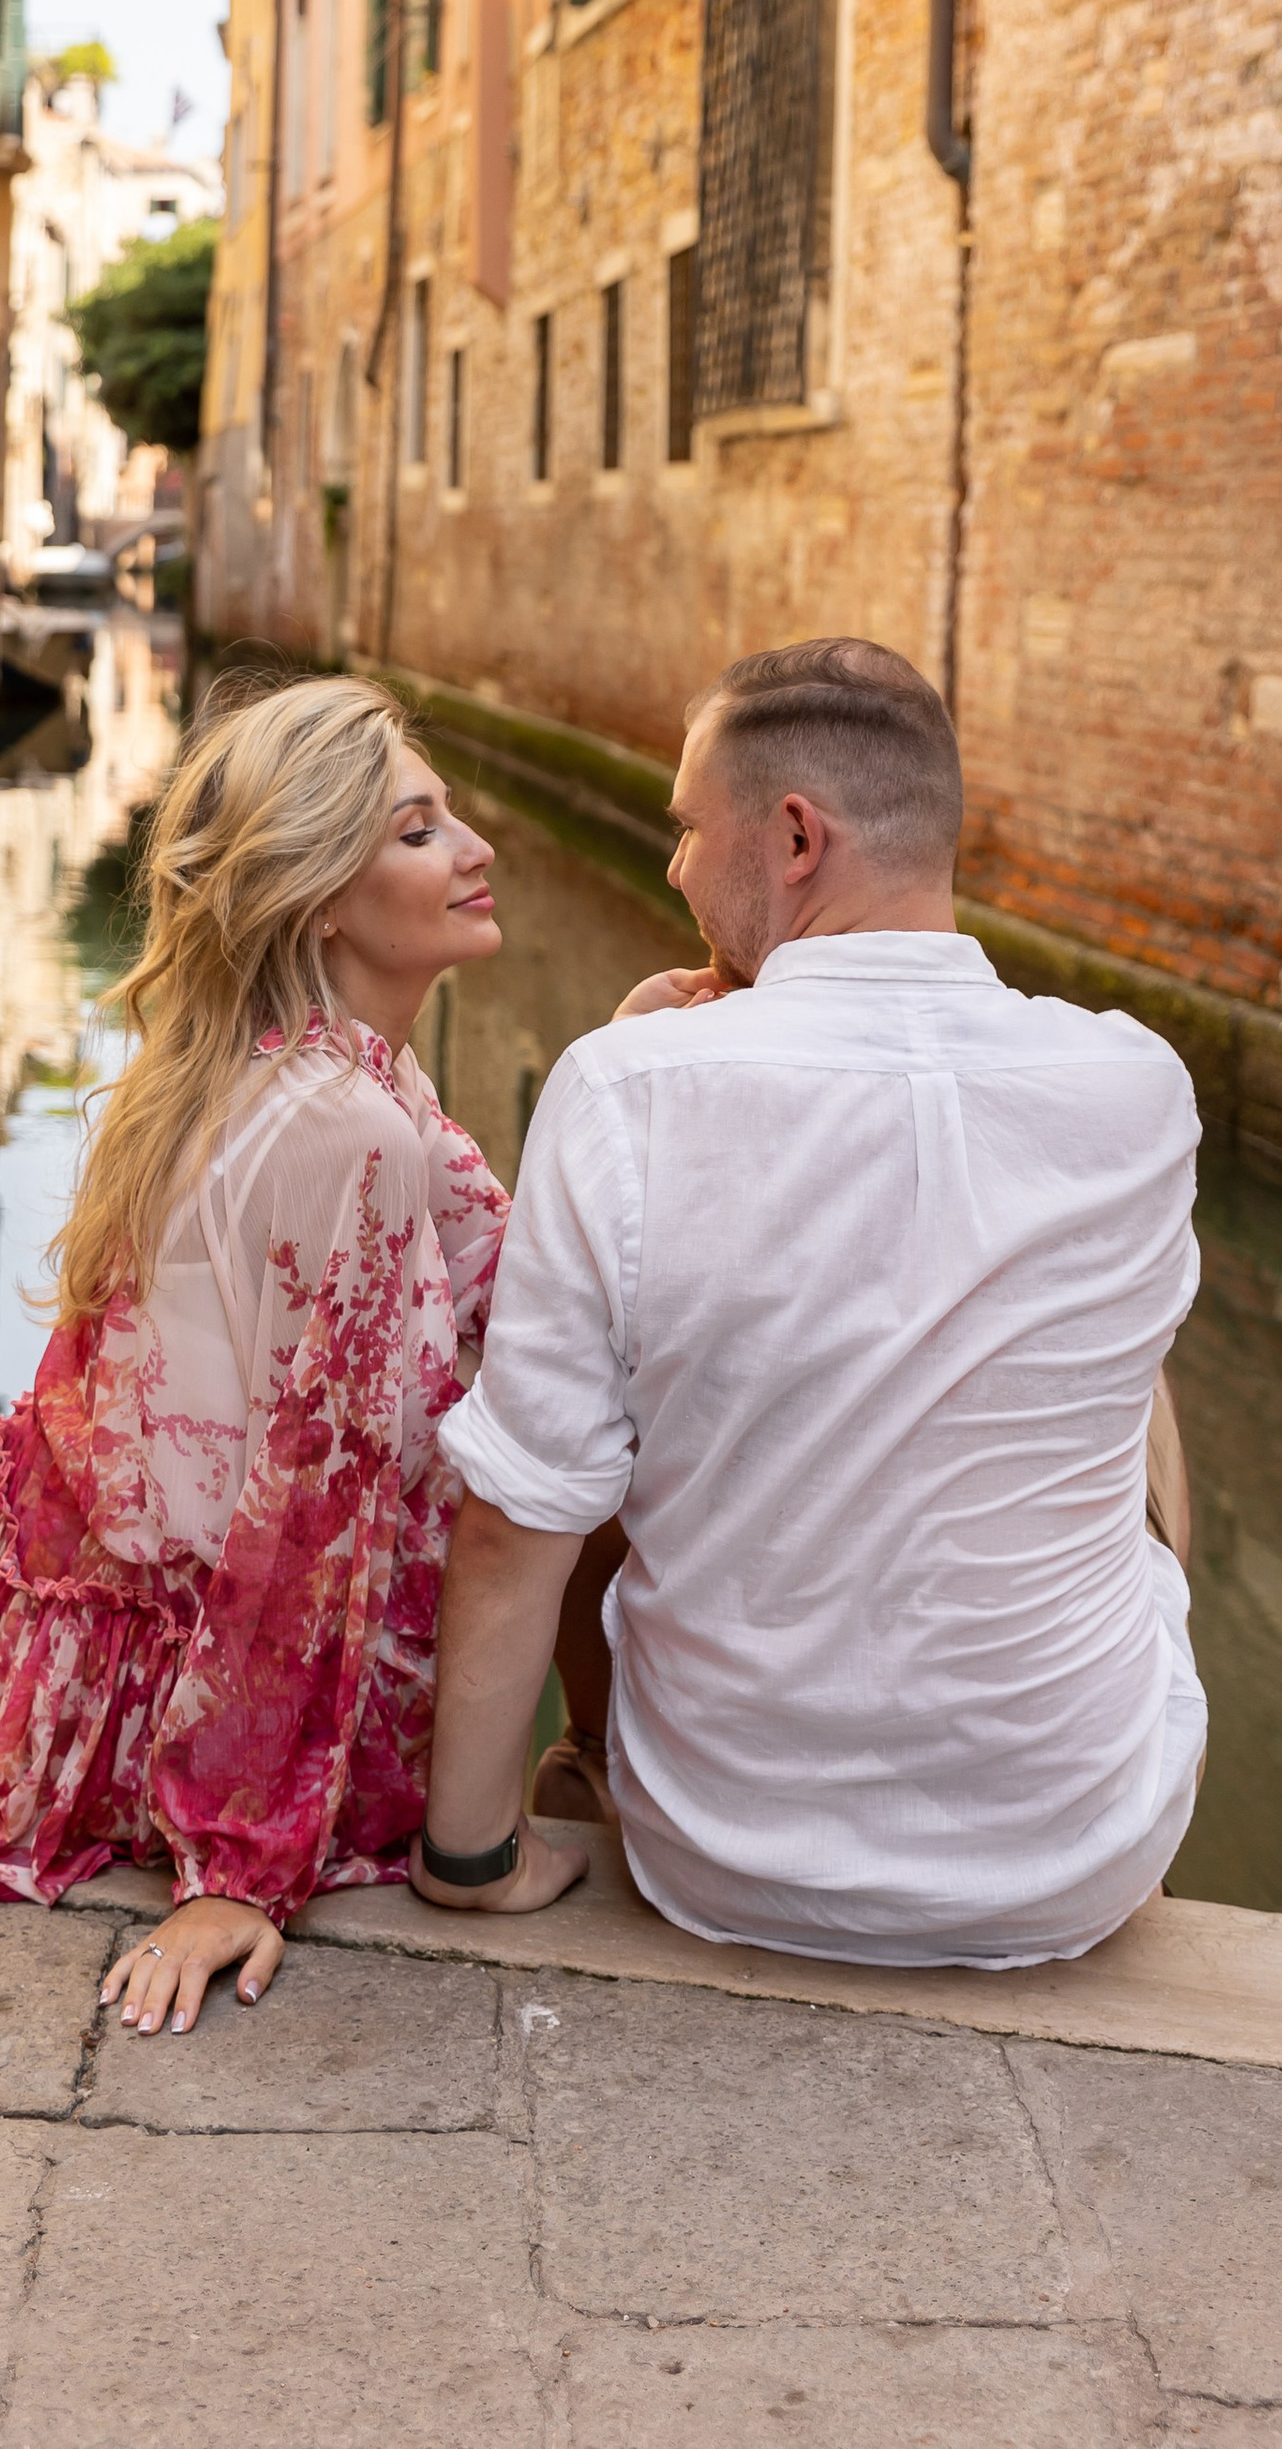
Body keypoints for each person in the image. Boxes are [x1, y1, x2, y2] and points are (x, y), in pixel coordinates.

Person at [413, 635, 1206, 1969]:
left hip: (725, 1855)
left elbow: (518, 1521)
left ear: (793, 838)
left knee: (616, 1361)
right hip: (1084, 1862)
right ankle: (1067, 1776)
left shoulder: (625, 1087)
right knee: (1128, 1365)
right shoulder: (1139, 1086)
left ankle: (582, 1757)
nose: (671, 866)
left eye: (686, 829)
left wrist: (466, 1859)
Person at [0, 672, 514, 2035]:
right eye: (420, 830)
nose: (476, 848)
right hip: (207, 1717)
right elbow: (309, 1512)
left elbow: (508, 1303)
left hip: (113, 1679)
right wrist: (240, 1862)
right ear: (319, 894)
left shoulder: (293, 1069)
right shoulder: (344, 1128)